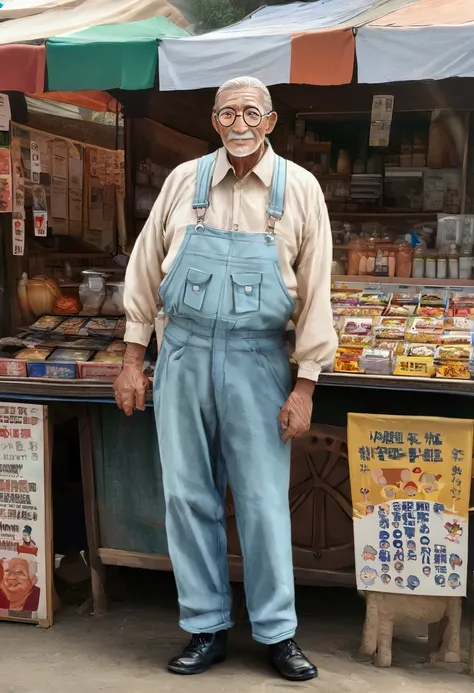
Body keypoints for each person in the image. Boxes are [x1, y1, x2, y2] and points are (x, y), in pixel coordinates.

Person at [114, 75, 337, 681]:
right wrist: (134, 360)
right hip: (182, 352)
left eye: (251, 112)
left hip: (258, 357)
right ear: (215, 122)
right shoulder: (185, 181)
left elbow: (317, 292)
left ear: (270, 122)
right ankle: (205, 626)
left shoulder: (301, 189)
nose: (239, 122)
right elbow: (144, 269)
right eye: (227, 112)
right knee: (188, 495)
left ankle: (277, 632)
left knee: (264, 500)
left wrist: (305, 384)